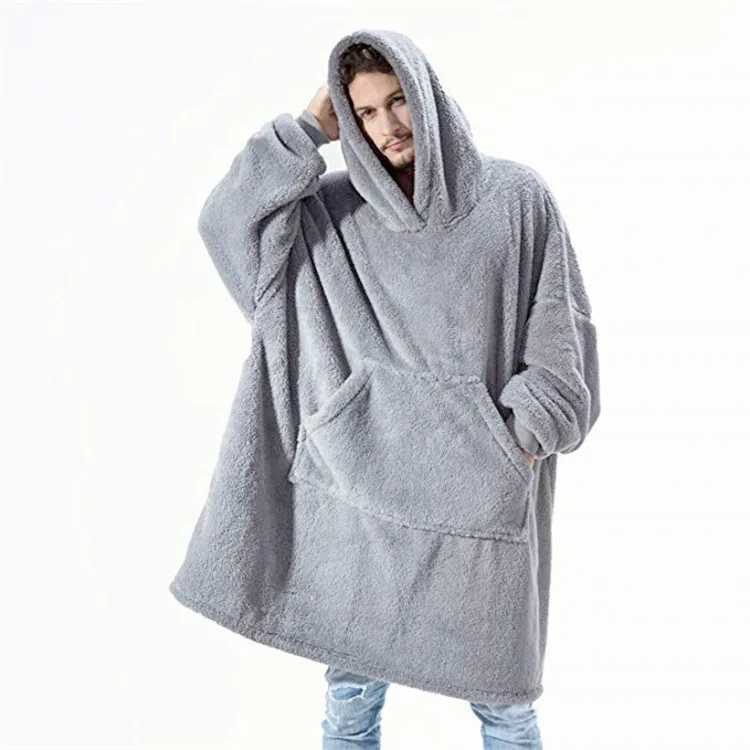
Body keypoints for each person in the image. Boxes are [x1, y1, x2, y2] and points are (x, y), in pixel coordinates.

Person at [169, 29, 600, 750]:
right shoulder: (328, 214)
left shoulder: (515, 200)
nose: (387, 125)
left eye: (398, 102)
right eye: (364, 112)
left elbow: (561, 337)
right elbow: (225, 224)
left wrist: (518, 441)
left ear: (428, 101)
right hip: (360, 503)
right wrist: (306, 131)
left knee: (505, 707)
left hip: (478, 504)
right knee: (351, 704)